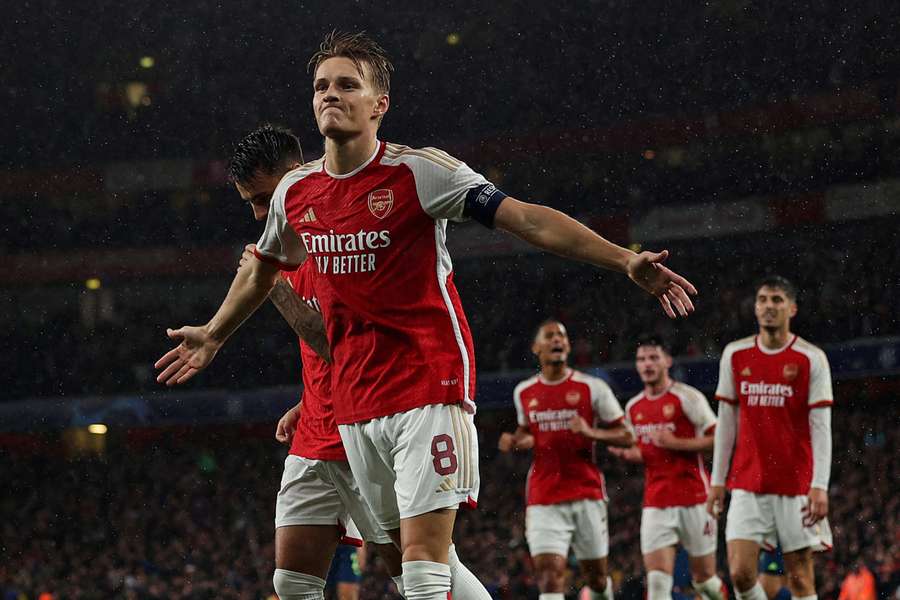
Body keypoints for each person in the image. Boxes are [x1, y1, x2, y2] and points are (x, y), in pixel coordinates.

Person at [156, 31, 697, 600]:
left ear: (378, 104)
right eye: (321, 86)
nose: (330, 95)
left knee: (420, 567)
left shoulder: (420, 172)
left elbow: (527, 220)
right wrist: (214, 334)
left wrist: (625, 259)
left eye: (347, 84)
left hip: (429, 383)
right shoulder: (296, 192)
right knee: (396, 556)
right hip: (359, 400)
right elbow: (263, 265)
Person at [229, 125, 488, 600]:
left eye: (265, 197)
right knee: (290, 581)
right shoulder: (287, 244)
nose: (260, 213)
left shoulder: (341, 239)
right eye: (250, 202)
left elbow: (344, 346)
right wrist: (307, 400)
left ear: (294, 176)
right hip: (318, 428)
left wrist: (276, 291)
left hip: (371, 418)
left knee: (420, 569)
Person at [707, 276, 834, 600]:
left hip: (796, 486)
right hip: (748, 481)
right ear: (754, 308)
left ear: (792, 308)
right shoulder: (735, 355)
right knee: (740, 573)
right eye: (763, 299)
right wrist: (717, 480)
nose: (768, 306)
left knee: (801, 579)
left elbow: (821, 426)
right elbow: (726, 423)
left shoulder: (811, 358)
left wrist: (819, 484)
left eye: (777, 300)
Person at [498, 320, 633, 600]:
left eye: (562, 335)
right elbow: (529, 434)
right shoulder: (524, 392)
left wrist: (589, 431)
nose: (557, 339)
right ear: (536, 348)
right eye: (549, 336)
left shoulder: (592, 388)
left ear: (568, 346)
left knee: (596, 578)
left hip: (586, 492)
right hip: (544, 496)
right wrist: (514, 441)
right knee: (549, 576)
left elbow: (627, 435)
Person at [607, 335, 726, 600]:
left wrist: (677, 443)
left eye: (653, 357)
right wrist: (629, 454)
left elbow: (720, 439)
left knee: (705, 582)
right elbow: (648, 450)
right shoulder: (634, 407)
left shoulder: (687, 398)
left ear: (667, 361)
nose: (647, 364)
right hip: (656, 502)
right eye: (641, 359)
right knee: (658, 584)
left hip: (695, 498)